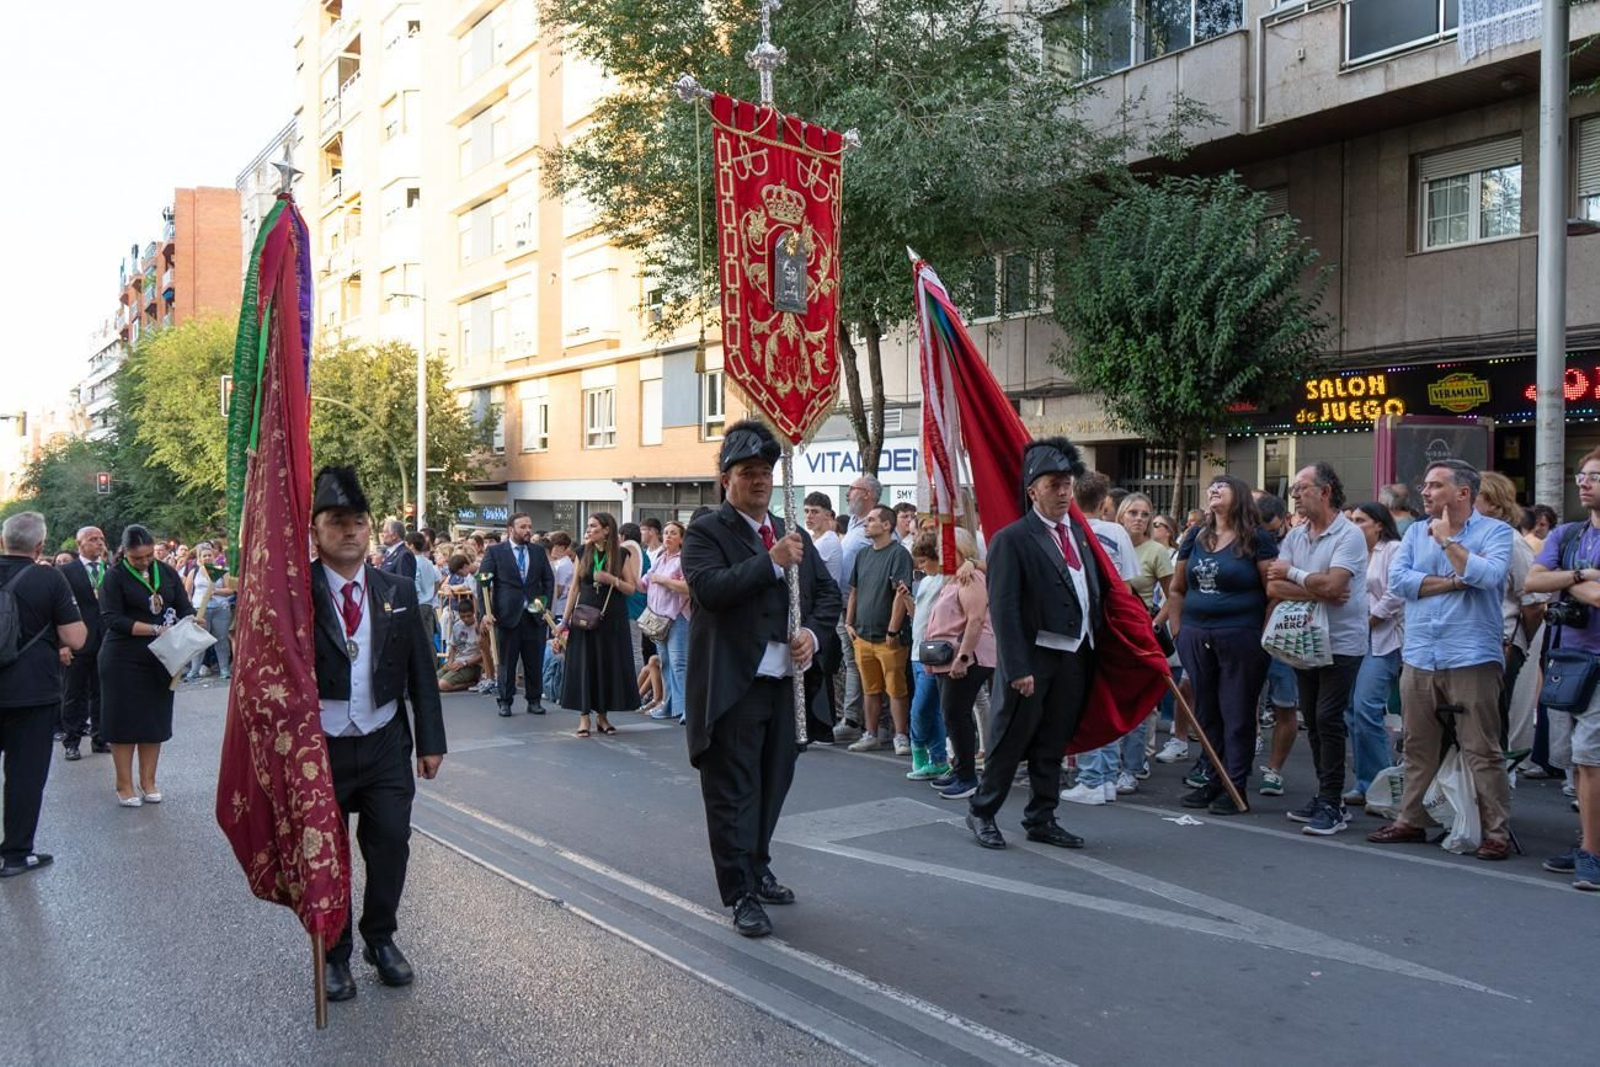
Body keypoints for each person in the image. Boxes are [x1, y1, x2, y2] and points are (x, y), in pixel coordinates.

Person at [681, 419, 840, 936]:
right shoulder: (707, 530)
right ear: (726, 479)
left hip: (786, 685)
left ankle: (758, 861)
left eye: (766, 471)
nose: (760, 480)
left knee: (773, 785)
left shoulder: (791, 533)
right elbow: (709, 589)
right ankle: (740, 892)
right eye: (748, 472)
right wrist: (770, 563)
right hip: (735, 686)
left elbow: (826, 597)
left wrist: (813, 637)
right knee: (733, 793)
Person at [307, 466, 446, 1001]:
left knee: (390, 843)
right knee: (330, 855)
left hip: (386, 738)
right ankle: (335, 953)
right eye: (337, 521)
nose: (350, 531)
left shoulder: (399, 589)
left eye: (359, 521)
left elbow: (420, 674)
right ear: (316, 530)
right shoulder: (297, 594)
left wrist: (431, 741)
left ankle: (380, 937)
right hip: (320, 747)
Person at [963, 438, 1107, 851]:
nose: (1064, 492)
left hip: (1075, 654)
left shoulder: (1079, 534)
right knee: (1011, 739)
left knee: (1053, 741)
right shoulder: (1013, 538)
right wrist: (1018, 667)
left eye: (1067, 484)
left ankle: (1041, 816)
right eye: (1054, 485)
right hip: (1033, 657)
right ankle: (982, 810)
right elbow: (1005, 609)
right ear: (1033, 491)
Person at [1369, 460, 1515, 861]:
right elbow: (1401, 583)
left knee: (1480, 747)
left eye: (1435, 485)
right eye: (1425, 485)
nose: (1426, 493)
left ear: (1463, 493)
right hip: (1419, 654)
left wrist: (1449, 543)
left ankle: (1494, 831)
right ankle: (1411, 819)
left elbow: (1488, 576)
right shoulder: (1415, 532)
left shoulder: (1496, 532)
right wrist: (1454, 581)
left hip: (1471, 655)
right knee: (1417, 744)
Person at [1264, 463, 1369, 836]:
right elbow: (1275, 589)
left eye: (1301, 488)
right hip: (1304, 640)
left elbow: (1337, 586)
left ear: (1325, 491)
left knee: (1328, 717)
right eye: (1293, 489)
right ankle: (1328, 796)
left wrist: (1293, 576)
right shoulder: (1296, 535)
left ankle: (1332, 801)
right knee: (1312, 716)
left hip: (1342, 642)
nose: (1294, 495)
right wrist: (1316, 586)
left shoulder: (1349, 535)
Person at [1167, 475, 1277, 814]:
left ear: (1239, 496)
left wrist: (1262, 634)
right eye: (1211, 486)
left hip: (1242, 637)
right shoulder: (1194, 537)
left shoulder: (1256, 538)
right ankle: (1213, 780)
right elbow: (1177, 587)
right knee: (1206, 713)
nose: (1213, 490)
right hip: (1197, 636)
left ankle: (1235, 785)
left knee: (1237, 712)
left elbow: (1273, 592)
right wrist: (1178, 632)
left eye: (1222, 486)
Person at [1524, 448, 1600, 889]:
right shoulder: (1569, 534)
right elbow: (1533, 581)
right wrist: (1581, 576)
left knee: (1591, 759)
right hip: (1566, 658)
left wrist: (1567, 582)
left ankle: (1592, 852)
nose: (1584, 483)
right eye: (1580, 476)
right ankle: (1588, 839)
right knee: (1573, 758)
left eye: (1594, 476)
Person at [0, 512, 87, 878]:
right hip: (31, 690)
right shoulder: (48, 578)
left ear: (4, 540)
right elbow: (76, 638)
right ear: (39, 546)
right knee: (25, 775)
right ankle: (16, 855)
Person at [98, 524, 195, 807]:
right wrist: (153, 629)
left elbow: (183, 606)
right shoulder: (114, 577)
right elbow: (111, 619)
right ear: (125, 553)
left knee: (154, 721)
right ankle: (124, 784)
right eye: (137, 557)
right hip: (123, 657)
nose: (144, 561)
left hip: (162, 657)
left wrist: (191, 621)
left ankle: (148, 780)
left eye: (149, 555)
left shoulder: (165, 572)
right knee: (124, 721)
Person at [1063, 473, 1142, 805]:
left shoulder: (1069, 531)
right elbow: (1126, 584)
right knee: (1105, 699)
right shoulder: (1116, 532)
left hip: (1080, 625)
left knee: (1086, 703)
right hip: (1111, 621)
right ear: (1105, 501)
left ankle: (1092, 779)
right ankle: (1106, 777)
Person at [1475, 471, 1547, 753]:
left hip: (1501, 642)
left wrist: (1519, 642)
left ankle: (1499, 783)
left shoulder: (1511, 542)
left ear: (1493, 503)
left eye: (1475, 495)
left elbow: (1533, 601)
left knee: (1492, 721)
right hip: (1471, 642)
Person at [921, 528, 994, 798]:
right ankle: (960, 768)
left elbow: (975, 620)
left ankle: (967, 777)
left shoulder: (970, 576)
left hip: (968, 656)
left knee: (956, 713)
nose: (940, 553)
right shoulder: (951, 578)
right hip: (949, 657)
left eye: (945, 548)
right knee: (952, 713)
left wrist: (963, 657)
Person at [558, 512, 639, 737]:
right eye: (589, 525)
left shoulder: (621, 554)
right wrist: (563, 621)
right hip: (584, 616)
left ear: (606, 530)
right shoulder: (582, 552)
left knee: (606, 665)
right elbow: (574, 588)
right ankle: (584, 717)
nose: (589, 529)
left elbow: (632, 588)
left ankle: (603, 717)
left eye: (593, 526)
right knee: (585, 664)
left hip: (610, 618)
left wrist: (611, 579)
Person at [1346, 502, 1405, 802]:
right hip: (1350, 637)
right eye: (1352, 520)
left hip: (1381, 638)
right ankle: (1367, 782)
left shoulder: (1392, 550)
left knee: (1367, 706)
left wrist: (1369, 620)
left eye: (1361, 520)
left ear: (1379, 524)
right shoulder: (1351, 550)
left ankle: (1385, 786)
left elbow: (1396, 593)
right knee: (1352, 712)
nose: (1355, 525)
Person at [843, 504, 913, 754]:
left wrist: (893, 631)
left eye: (871, 520)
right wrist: (849, 623)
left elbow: (900, 595)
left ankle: (900, 736)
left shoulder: (899, 554)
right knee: (869, 689)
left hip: (889, 638)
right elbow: (854, 591)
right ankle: (870, 734)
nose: (866, 523)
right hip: (862, 635)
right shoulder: (863, 555)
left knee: (896, 689)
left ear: (887, 525)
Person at [479, 512, 554, 717]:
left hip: (533, 615)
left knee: (533, 660)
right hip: (506, 615)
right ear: (511, 529)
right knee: (506, 662)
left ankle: (534, 700)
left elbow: (548, 580)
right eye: (523, 527)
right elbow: (483, 582)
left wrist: (543, 605)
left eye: (529, 526)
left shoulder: (538, 552)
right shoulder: (495, 552)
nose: (528, 530)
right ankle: (505, 700)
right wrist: (485, 612)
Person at [1252, 492, 1301, 799]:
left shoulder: (1295, 543)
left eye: (1270, 531)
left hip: (1284, 636)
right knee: (1243, 703)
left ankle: (1274, 770)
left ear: (1283, 522)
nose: (1265, 538)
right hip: (1250, 634)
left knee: (1285, 706)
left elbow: (1284, 588)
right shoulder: (1247, 541)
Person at [832, 475, 882, 743]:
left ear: (867, 494)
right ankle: (852, 719)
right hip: (844, 606)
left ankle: (870, 723)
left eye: (852, 489)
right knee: (853, 663)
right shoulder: (853, 523)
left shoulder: (878, 528)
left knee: (868, 664)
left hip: (861, 610)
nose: (848, 493)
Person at [896, 532, 949, 781]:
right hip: (919, 651)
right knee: (931, 710)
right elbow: (917, 615)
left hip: (934, 653)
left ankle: (919, 752)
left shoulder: (946, 579)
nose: (920, 566)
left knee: (921, 708)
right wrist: (906, 597)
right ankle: (938, 760)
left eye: (923, 560)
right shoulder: (926, 581)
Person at [58, 525, 109, 760]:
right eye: (92, 539)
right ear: (80, 544)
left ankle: (100, 737)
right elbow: (58, 610)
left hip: (105, 639)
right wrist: (63, 643)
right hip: (78, 640)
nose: (98, 543)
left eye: (101, 539)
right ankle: (72, 740)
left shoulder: (108, 569)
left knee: (101, 691)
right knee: (74, 692)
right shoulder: (66, 571)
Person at [640, 520, 690, 721]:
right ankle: (670, 704)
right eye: (666, 532)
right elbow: (644, 583)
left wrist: (662, 580)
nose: (668, 536)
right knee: (665, 663)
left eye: (673, 533)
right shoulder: (660, 558)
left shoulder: (683, 559)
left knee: (679, 664)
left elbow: (688, 587)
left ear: (681, 539)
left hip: (677, 617)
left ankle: (686, 708)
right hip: (659, 618)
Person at [183, 543, 234, 683]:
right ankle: (194, 671)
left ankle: (224, 670)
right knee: (199, 640)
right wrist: (190, 610)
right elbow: (187, 592)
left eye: (209, 555)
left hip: (220, 609)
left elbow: (230, 590)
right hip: (200, 610)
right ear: (200, 558)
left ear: (214, 556)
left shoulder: (222, 570)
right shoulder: (194, 572)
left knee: (221, 639)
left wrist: (215, 592)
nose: (207, 558)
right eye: (204, 556)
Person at [437, 598, 483, 693]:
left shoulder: (479, 627)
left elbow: (483, 654)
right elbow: (453, 646)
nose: (466, 619)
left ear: (473, 612)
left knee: (442, 685)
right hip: (457, 661)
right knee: (431, 682)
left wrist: (464, 663)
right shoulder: (457, 626)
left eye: (468, 616)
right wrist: (450, 661)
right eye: (463, 616)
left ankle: (471, 684)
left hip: (472, 665)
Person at [408, 532, 440, 644]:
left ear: (411, 545)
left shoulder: (414, 561)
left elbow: (416, 582)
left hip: (419, 603)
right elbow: (437, 580)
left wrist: (417, 596)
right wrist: (431, 595)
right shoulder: (429, 562)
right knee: (428, 638)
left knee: (418, 638)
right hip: (428, 604)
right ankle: (432, 660)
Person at [548, 530, 575, 620]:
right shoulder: (558, 562)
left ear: (561, 547)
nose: (551, 549)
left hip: (559, 609)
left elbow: (559, 590)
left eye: (553, 546)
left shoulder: (564, 564)